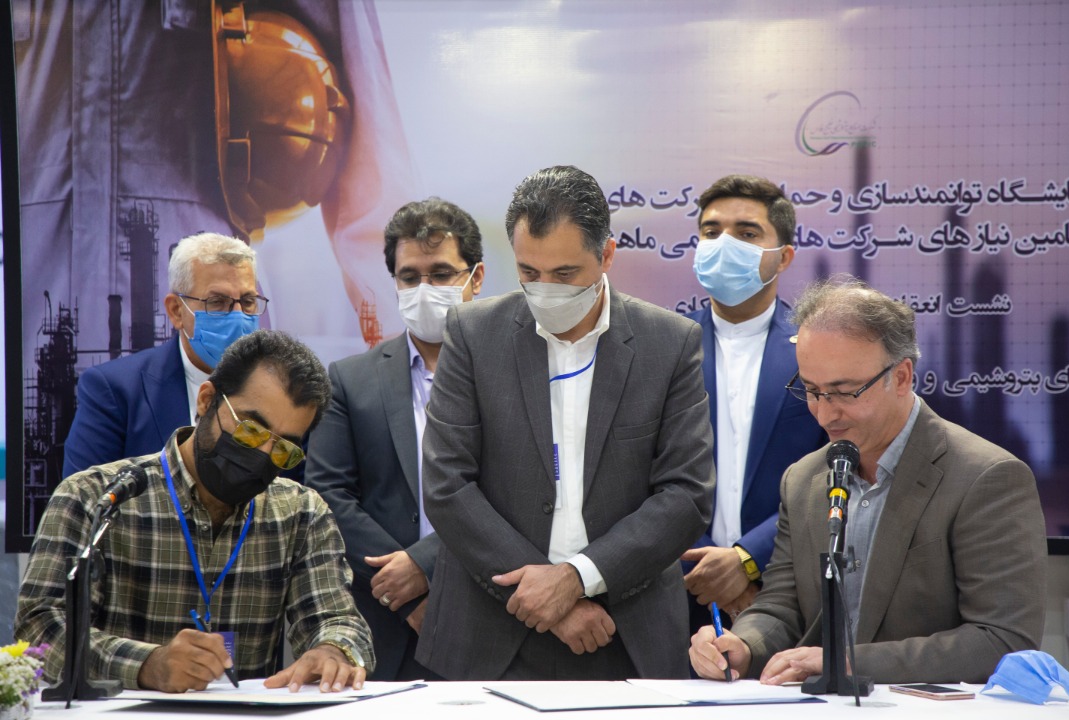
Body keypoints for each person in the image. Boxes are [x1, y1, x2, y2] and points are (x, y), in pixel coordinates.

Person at [417, 165, 715, 680]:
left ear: (607, 255)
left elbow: (685, 495)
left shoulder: (670, 343)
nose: (545, 290)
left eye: (564, 274)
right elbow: (447, 485)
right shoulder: (472, 333)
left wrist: (577, 578)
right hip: (491, 634)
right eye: (529, 272)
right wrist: (544, 597)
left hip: (624, 631)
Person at [689, 276, 1047, 684]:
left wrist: (847, 663)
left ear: (902, 377)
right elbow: (782, 606)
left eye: (845, 392)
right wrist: (744, 644)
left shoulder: (987, 478)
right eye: (811, 390)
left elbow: (1002, 640)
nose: (825, 414)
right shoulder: (803, 480)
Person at [18, 330, 373, 693]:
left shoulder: (300, 513)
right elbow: (39, 629)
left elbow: (338, 619)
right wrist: (148, 665)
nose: (263, 454)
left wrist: (333, 651)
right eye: (251, 430)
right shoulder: (98, 497)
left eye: (284, 449)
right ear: (206, 400)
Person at [305, 197, 485, 680]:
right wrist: (400, 589)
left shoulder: (512, 377)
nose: (424, 290)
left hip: (486, 617)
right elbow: (328, 495)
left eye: (441, 274)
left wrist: (424, 565)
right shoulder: (349, 380)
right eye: (409, 277)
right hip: (381, 625)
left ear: (476, 278)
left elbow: (515, 494)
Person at [680, 176, 827, 626]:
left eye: (746, 233)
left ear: (783, 257)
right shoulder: (663, 347)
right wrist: (705, 567)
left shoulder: (818, 351)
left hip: (787, 591)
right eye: (711, 232)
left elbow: (840, 470)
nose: (724, 244)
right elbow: (641, 474)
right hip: (680, 589)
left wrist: (746, 560)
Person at [63, 232, 264, 478]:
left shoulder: (282, 392)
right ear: (176, 310)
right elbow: (85, 497)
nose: (237, 316)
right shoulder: (116, 392)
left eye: (248, 301)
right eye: (217, 302)